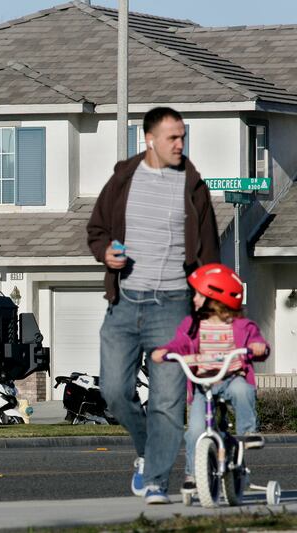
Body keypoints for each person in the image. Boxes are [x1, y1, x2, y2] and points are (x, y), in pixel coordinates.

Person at [87, 106, 220, 505]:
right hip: (125, 302)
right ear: (149, 140)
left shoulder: (193, 186)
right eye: (172, 137)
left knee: (167, 401)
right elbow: (97, 230)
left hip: (173, 305)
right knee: (113, 390)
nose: (180, 144)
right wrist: (105, 253)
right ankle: (148, 451)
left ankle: (157, 480)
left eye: (182, 137)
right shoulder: (123, 180)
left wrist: (207, 293)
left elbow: (209, 249)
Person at [150, 263, 269, 492]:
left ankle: (249, 432)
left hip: (231, 378)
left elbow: (257, 342)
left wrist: (258, 347)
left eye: (198, 294)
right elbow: (180, 343)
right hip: (203, 386)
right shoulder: (192, 325)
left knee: (242, 390)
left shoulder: (242, 326)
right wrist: (166, 351)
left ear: (215, 298)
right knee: (195, 430)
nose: (193, 299)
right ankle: (193, 474)